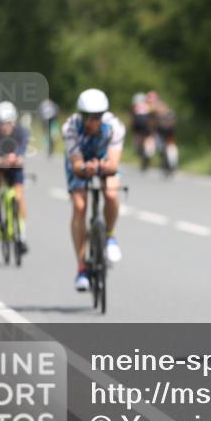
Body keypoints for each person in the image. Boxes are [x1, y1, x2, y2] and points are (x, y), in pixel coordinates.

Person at [62, 89, 126, 292]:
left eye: (97, 117)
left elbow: (114, 163)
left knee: (111, 192)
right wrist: (84, 168)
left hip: (104, 159)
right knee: (80, 206)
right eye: (88, 117)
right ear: (80, 115)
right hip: (80, 161)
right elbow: (76, 163)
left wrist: (104, 166)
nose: (92, 121)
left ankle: (110, 236)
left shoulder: (114, 126)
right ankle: (81, 268)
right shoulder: (70, 127)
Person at [0, 101, 30, 251]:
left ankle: (22, 236)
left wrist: (17, 157)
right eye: (1, 124)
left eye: (8, 123)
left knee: (19, 197)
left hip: (15, 166)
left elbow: (22, 150)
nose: (5, 127)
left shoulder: (21, 132)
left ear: (14, 122)